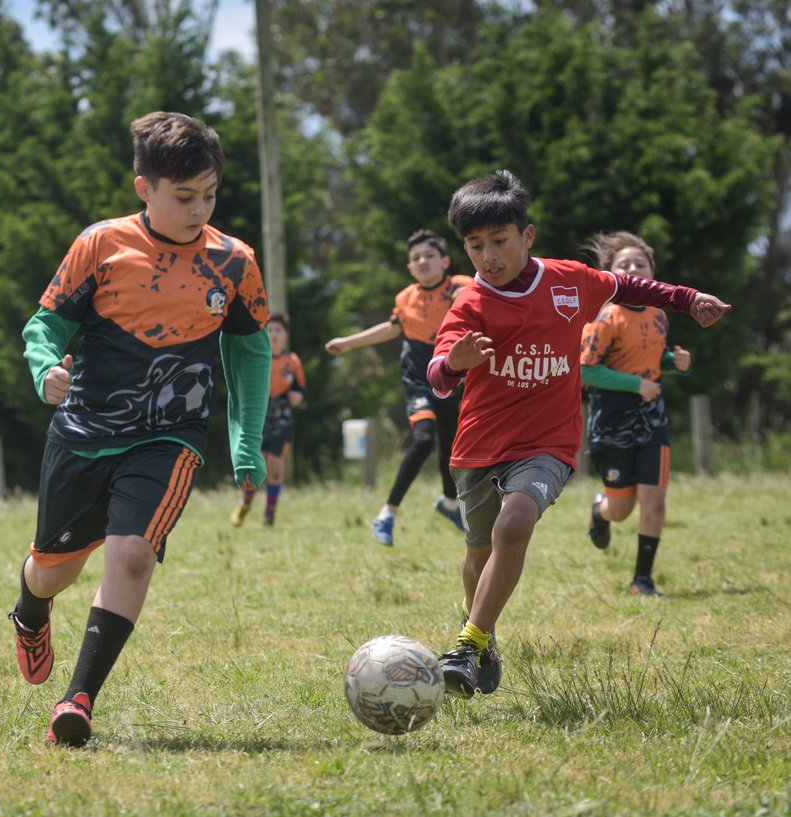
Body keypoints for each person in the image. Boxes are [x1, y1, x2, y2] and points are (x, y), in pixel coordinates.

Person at [8, 111, 272, 746]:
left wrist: (245, 442)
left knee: (132, 553)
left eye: (209, 195)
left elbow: (250, 353)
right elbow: (44, 326)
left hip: (171, 436)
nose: (199, 210)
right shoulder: (100, 245)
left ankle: (78, 701)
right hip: (83, 432)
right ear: (144, 188)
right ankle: (29, 606)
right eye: (184, 197)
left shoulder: (234, 262)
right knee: (54, 569)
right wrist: (45, 367)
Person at [427, 170, 730, 699]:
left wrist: (687, 297)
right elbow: (438, 374)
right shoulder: (471, 302)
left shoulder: (570, 281)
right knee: (478, 553)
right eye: (475, 246)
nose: (488, 256)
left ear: (528, 236)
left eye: (499, 241)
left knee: (514, 522)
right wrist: (455, 362)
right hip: (479, 444)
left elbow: (629, 285)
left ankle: (468, 644)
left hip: (549, 441)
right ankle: (486, 640)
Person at [325, 229, 471, 546]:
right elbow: (392, 329)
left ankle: (449, 504)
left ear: (445, 261)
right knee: (423, 439)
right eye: (416, 258)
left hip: (454, 381)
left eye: (429, 255)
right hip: (419, 380)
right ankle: (387, 514)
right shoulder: (406, 298)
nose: (422, 261)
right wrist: (349, 343)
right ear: (409, 268)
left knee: (452, 447)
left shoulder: (463, 287)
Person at [580, 231, 692, 596]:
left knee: (655, 499)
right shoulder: (603, 316)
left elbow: (652, 362)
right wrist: (634, 385)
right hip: (611, 423)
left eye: (639, 264)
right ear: (610, 273)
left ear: (651, 271)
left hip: (652, 418)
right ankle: (600, 510)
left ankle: (642, 580)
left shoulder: (660, 314)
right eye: (623, 265)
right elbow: (585, 370)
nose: (633, 268)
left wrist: (675, 363)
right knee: (622, 509)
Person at [232, 313, 306, 527]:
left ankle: (269, 516)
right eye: (270, 330)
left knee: (275, 470)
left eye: (278, 331)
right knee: (253, 466)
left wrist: (297, 397)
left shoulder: (292, 361)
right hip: (257, 416)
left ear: (286, 335)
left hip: (281, 418)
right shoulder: (256, 357)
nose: (274, 335)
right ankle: (245, 505)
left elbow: (300, 389)